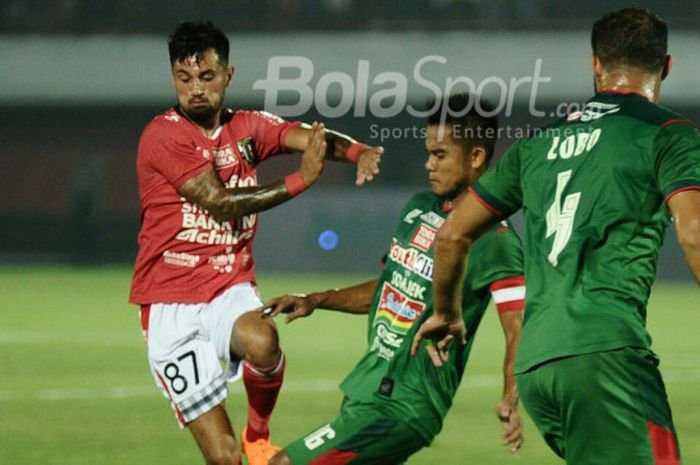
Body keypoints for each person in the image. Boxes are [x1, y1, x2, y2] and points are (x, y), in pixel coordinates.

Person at [412, 7, 700, 465]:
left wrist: (446, 311)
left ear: (595, 65)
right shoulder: (668, 134)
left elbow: (450, 237)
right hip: (604, 354)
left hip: (537, 367)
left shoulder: (535, 145)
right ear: (666, 66)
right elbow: (694, 232)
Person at [129, 21, 383, 465]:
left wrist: (358, 151)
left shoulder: (246, 127)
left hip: (228, 286)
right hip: (170, 304)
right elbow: (221, 203)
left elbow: (310, 137)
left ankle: (258, 434)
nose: (195, 89)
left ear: (228, 76)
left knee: (263, 341)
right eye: (184, 78)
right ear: (173, 78)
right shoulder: (163, 136)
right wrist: (300, 181)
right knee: (225, 460)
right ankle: (242, 447)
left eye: (206, 77)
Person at [264, 93, 526, 465]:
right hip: (367, 390)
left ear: (476, 157)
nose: (428, 165)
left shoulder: (495, 240)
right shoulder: (418, 207)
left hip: (403, 405)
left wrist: (509, 398)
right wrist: (317, 299)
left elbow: (518, 330)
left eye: (440, 155)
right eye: (427, 153)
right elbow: (390, 286)